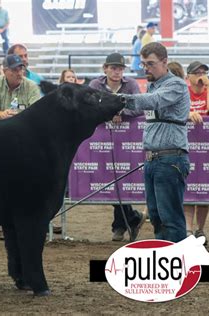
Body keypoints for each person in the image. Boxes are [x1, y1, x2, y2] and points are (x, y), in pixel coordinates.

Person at [120, 42, 191, 243]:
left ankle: (177, 263)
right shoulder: (153, 85)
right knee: (156, 216)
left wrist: (117, 100)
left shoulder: (175, 84)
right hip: (153, 160)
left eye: (150, 64)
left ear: (164, 62)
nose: (146, 68)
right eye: (143, 64)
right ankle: (164, 259)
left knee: (171, 217)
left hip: (170, 159)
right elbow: (145, 103)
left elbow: (153, 101)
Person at [89, 52, 146, 242]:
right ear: (105, 68)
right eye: (113, 68)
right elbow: (89, 106)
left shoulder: (131, 84)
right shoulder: (95, 85)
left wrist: (122, 110)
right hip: (101, 140)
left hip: (127, 139)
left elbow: (139, 106)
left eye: (120, 68)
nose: (117, 72)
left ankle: (121, 225)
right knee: (108, 179)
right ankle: (132, 218)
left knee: (123, 178)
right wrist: (109, 112)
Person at [184, 61, 209, 245]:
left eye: (204, 72)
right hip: (186, 146)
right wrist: (188, 112)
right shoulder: (183, 92)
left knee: (205, 190)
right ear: (188, 76)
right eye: (197, 72)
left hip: (208, 148)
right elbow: (177, 111)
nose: (200, 75)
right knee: (188, 190)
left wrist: (208, 87)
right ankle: (188, 230)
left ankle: (200, 229)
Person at [0, 54, 40, 120]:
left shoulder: (32, 86)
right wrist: (2, 114)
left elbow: (36, 113)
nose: (19, 73)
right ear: (4, 71)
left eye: (21, 69)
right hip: (1, 126)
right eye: (15, 70)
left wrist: (18, 117)